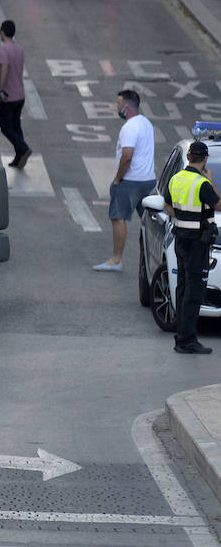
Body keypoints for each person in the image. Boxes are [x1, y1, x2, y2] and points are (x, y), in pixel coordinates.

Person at [163, 140, 221, 355]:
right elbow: (218, 205)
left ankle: (182, 336)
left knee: (183, 287)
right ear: (205, 159)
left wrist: (183, 217)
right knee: (194, 292)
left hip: (181, 240)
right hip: (198, 242)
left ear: (188, 157)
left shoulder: (176, 178)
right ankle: (187, 340)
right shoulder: (201, 183)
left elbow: (167, 205)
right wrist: (211, 181)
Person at [93, 89, 156, 272]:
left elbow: (127, 156)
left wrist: (117, 179)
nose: (117, 108)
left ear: (126, 107)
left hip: (130, 181)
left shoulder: (129, 127)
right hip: (148, 180)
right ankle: (154, 257)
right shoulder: (146, 123)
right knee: (149, 222)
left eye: (118, 104)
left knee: (118, 217)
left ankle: (116, 259)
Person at [0, 20, 31, 170]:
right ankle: (19, 157)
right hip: (20, 95)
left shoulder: (4, 49)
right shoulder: (19, 48)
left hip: (8, 96)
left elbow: (4, 69)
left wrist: (0, 90)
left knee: (6, 127)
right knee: (16, 126)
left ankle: (23, 149)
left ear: (3, 32)